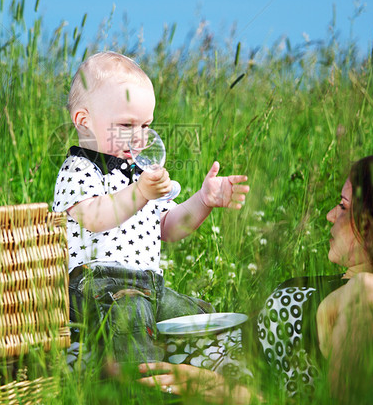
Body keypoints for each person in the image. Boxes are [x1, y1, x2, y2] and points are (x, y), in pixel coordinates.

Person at [138, 153, 373, 404]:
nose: (331, 215)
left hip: (185, 386)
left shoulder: (368, 295)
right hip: (176, 355)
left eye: (343, 207)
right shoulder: (352, 285)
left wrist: (212, 388)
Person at [53, 51, 250, 365]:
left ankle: (215, 366)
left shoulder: (138, 173)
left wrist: (203, 200)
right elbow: (93, 217)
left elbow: (170, 227)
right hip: (96, 285)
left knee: (195, 315)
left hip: (148, 284)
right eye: (127, 124)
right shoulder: (80, 169)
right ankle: (139, 385)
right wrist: (140, 193)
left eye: (146, 125)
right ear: (84, 121)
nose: (140, 137)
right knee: (130, 315)